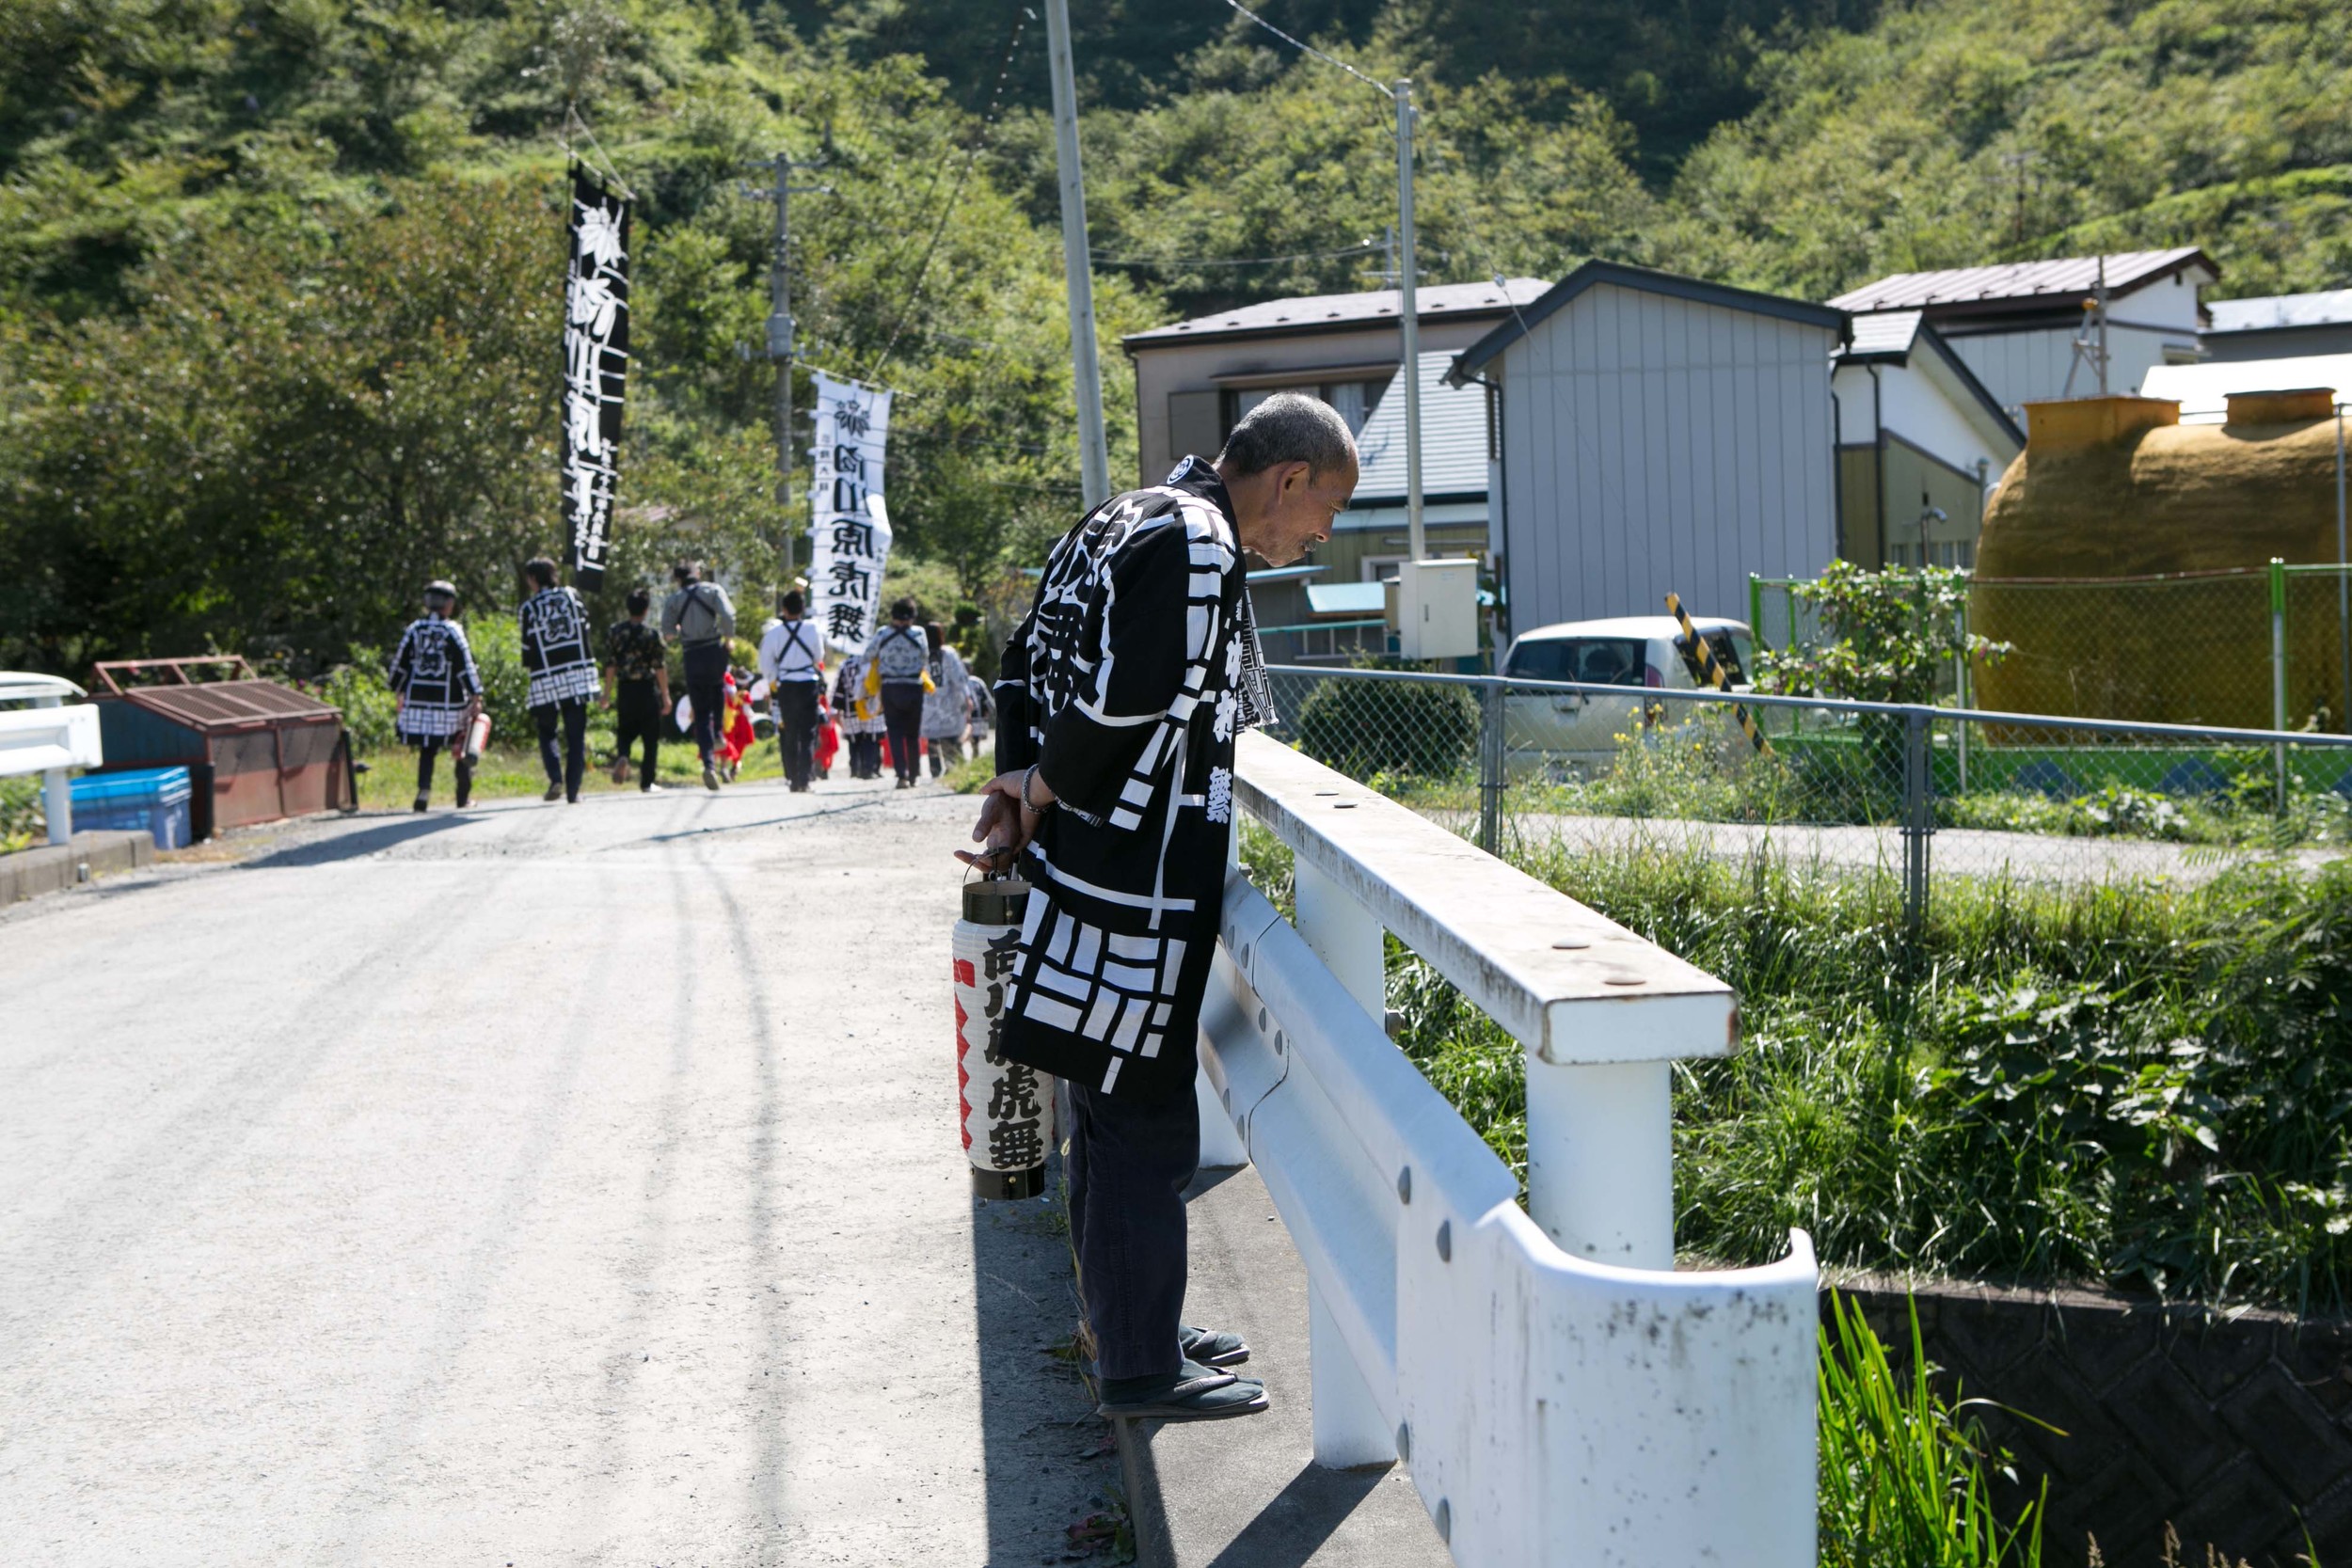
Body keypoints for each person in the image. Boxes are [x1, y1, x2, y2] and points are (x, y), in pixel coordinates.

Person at [962, 393, 1359, 1422]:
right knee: (1144, 1114)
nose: (1320, 534)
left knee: (1105, 1108)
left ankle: (1131, 1317)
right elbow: (1131, 701)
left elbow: (1022, 663)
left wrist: (1018, 785)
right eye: (1326, 510)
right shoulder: (1198, 545)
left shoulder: (1121, 516)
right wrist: (1040, 791)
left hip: (1085, 864)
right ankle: (1140, 1364)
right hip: (1132, 880)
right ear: (1287, 478)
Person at [387, 579, 484, 814]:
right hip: (450, 702)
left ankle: (423, 792)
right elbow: (464, 666)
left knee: (427, 749)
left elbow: (400, 665)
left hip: (418, 699)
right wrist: (475, 694)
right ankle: (462, 797)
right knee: (460, 746)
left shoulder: (414, 630)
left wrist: (398, 690)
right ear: (449, 604)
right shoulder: (452, 631)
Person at [517, 557, 599, 804]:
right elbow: (586, 630)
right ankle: (573, 791)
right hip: (577, 676)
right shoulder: (572, 596)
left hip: (545, 679)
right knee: (576, 736)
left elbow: (526, 649)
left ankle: (555, 778)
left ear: (533, 579)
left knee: (547, 731)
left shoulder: (529, 608)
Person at [660, 560, 736, 791]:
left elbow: (668, 633)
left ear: (678, 579)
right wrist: (728, 638)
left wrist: (681, 629)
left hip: (692, 655)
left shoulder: (673, 600)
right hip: (713, 650)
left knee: (700, 712)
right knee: (717, 692)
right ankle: (718, 733)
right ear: (697, 574)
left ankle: (709, 766)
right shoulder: (713, 590)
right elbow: (728, 616)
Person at [757, 590, 826, 792]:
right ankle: (805, 779)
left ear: (784, 609)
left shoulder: (774, 633)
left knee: (790, 732)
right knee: (808, 733)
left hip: (786, 685)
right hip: (808, 683)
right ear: (802, 609)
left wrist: (774, 679)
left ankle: (793, 779)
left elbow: (766, 662)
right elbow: (818, 657)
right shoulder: (812, 629)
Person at [604, 586, 671, 791]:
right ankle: (647, 781)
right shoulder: (651, 634)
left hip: (625, 689)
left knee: (624, 731)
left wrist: (606, 693)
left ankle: (623, 755)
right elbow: (659, 666)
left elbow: (611, 665)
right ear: (646, 609)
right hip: (646, 689)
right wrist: (666, 695)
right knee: (650, 738)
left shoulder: (616, 632)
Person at [864, 597, 931, 788]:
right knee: (912, 733)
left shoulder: (883, 633)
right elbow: (925, 655)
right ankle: (915, 775)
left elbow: (867, 655)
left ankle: (901, 775)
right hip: (913, 686)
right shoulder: (919, 632)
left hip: (890, 687)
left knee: (894, 732)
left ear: (893, 615)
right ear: (912, 616)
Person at [920, 622, 973, 775]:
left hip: (928, 702)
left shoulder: (921, 654)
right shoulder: (948, 653)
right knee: (951, 736)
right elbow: (959, 678)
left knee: (933, 737)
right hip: (949, 701)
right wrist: (967, 697)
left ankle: (935, 769)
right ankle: (954, 767)